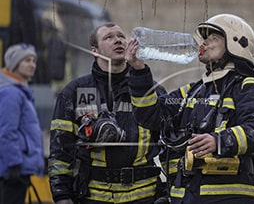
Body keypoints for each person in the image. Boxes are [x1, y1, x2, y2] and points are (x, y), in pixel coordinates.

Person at [125, 13, 254, 204]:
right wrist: (138, 71)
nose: (204, 43)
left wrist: (218, 141)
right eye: (204, 38)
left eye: (214, 38)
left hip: (230, 196)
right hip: (185, 195)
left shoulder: (249, 87)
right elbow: (150, 116)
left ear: (236, 43)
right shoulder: (191, 92)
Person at [48, 22, 167, 204]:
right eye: (109, 37)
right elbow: (60, 151)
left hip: (145, 196)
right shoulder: (74, 92)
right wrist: (62, 196)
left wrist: (169, 194)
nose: (118, 40)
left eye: (121, 36)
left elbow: (169, 143)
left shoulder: (151, 90)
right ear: (94, 51)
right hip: (94, 197)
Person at [0, 43, 44, 204]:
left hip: (16, 171)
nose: (32, 65)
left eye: (34, 60)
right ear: (14, 64)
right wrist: (14, 165)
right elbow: (6, 131)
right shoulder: (11, 93)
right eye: (27, 60)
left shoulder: (19, 91)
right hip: (12, 172)